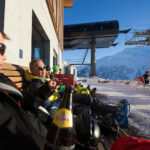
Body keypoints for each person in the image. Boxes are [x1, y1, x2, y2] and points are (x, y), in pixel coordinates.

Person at [0, 29, 47, 149]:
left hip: (36, 119)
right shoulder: (34, 82)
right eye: (1, 49)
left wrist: (49, 88)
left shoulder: (2, 78)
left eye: (45, 67)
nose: (5, 57)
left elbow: (27, 102)